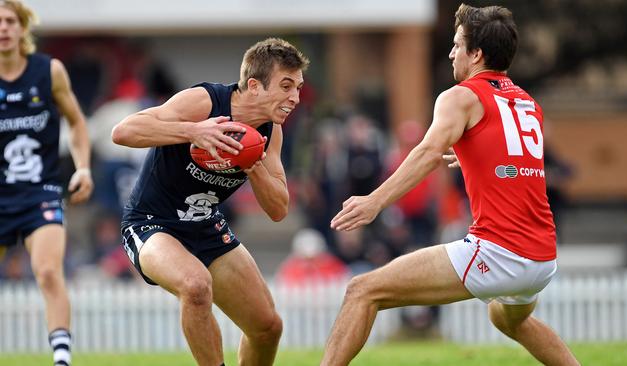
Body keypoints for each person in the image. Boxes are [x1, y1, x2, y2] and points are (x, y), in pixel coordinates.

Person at [321, 4, 580, 366]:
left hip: (499, 253)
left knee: (362, 290)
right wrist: (477, 160)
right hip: (543, 258)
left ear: (476, 54)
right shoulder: (525, 102)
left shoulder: (459, 96)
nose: (451, 52)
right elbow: (517, 162)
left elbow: (428, 152)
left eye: (458, 44)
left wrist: (374, 201)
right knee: (505, 318)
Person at [112, 37, 309, 366]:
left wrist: (253, 163)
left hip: (205, 224)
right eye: (286, 86)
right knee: (195, 285)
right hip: (151, 223)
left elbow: (278, 209)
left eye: (299, 88)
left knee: (267, 327)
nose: (295, 98)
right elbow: (124, 131)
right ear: (254, 85)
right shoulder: (204, 100)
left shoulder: (271, 132)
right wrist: (193, 131)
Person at [0, 1, 94, 366]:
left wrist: (83, 168)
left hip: (40, 190)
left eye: (10, 21)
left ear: (23, 28)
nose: (3, 28)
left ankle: (61, 359)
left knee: (48, 271)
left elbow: (77, 122)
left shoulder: (48, 71)